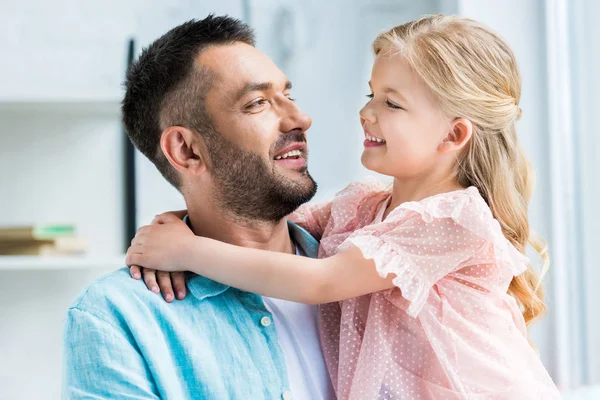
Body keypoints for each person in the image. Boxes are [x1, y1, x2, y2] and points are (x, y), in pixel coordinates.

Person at [127, 15, 561, 399]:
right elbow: (254, 215)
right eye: (370, 94)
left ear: (453, 135)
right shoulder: (360, 206)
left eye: (391, 103)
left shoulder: (454, 221)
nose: (366, 112)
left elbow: (320, 281)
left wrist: (186, 251)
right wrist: (180, 224)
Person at [62, 15, 335, 400]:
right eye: (257, 103)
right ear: (186, 150)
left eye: (288, 95)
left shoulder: (362, 258)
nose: (299, 118)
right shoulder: (118, 318)